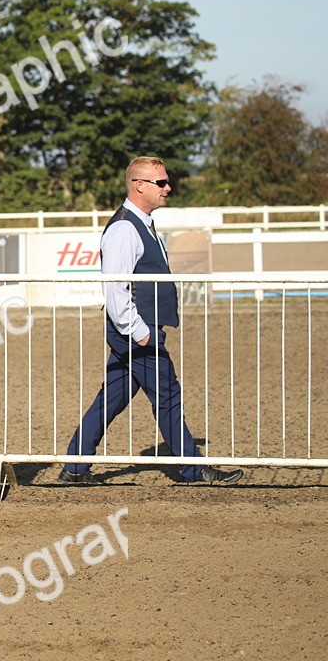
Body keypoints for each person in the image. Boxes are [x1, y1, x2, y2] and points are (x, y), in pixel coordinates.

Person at [60, 158, 243, 485]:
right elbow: (115, 288)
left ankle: (74, 466)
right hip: (135, 332)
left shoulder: (141, 224)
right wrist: (140, 332)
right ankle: (193, 469)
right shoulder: (124, 229)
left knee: (111, 400)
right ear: (139, 185)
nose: (168, 188)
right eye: (161, 183)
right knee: (167, 394)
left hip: (135, 332)